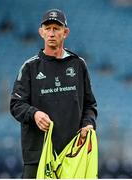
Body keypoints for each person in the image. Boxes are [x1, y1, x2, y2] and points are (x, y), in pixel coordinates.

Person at [10, 9, 97, 179]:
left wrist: (88, 123)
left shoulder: (78, 65)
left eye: (56, 28)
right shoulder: (29, 67)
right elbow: (15, 105)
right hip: (38, 156)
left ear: (65, 32)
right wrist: (34, 114)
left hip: (71, 156)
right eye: (47, 28)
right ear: (41, 32)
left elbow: (89, 105)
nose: (51, 33)